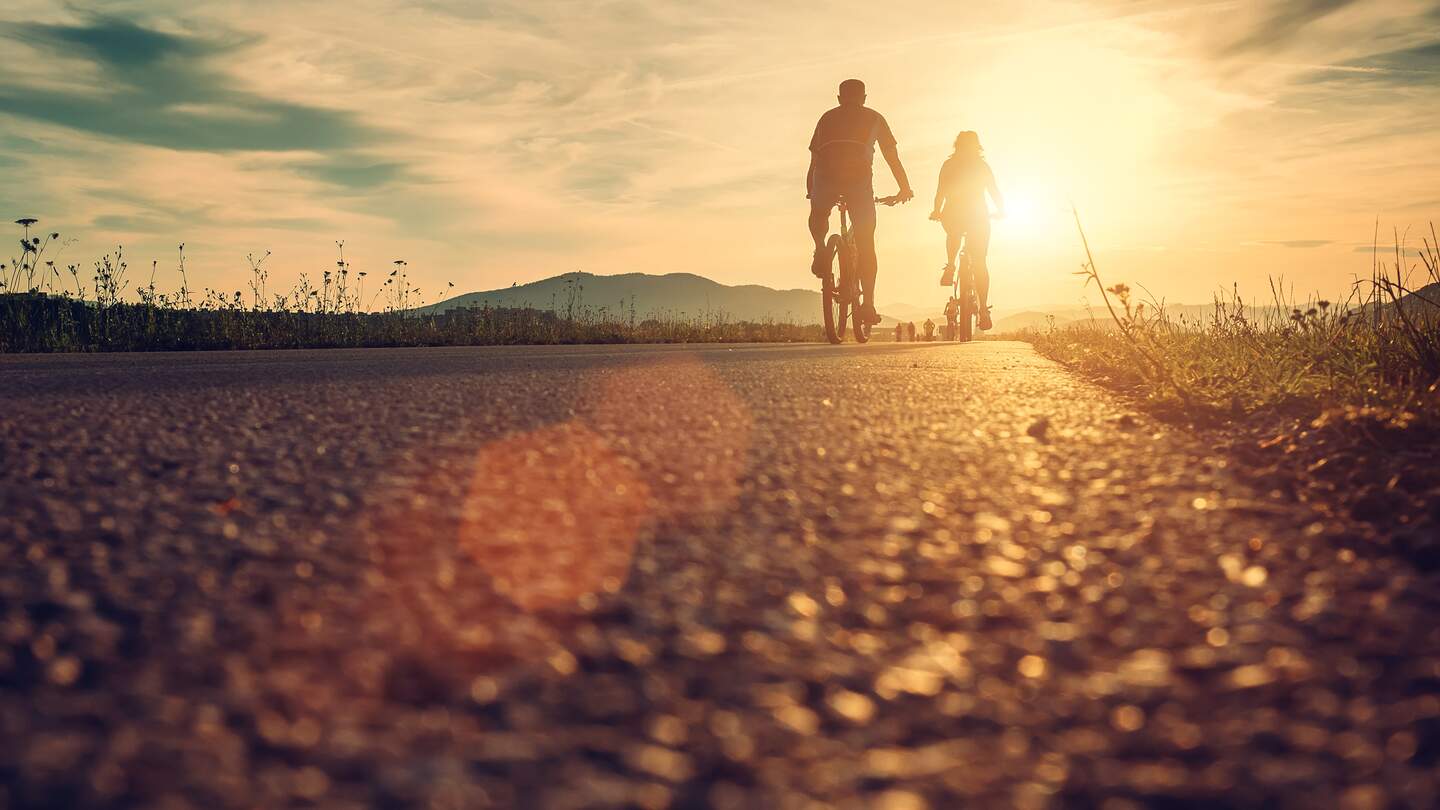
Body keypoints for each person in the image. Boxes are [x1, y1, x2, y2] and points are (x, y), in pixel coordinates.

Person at [807, 78, 913, 325]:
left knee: (819, 213)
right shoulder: (875, 118)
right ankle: (867, 305)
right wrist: (904, 188)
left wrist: (811, 190)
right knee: (866, 244)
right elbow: (891, 157)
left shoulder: (826, 118)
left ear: (839, 98)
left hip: (825, 177)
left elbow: (814, 160)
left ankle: (821, 249)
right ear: (864, 98)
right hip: (858, 182)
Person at [930, 131, 1004, 330]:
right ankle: (983, 311)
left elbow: (940, 192)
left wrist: (936, 211)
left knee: (953, 233)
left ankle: (951, 265)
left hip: (953, 213)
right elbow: (994, 191)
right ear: (977, 146)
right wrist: (1002, 210)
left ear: (957, 146)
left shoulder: (949, 165)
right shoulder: (982, 166)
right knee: (980, 262)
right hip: (979, 216)